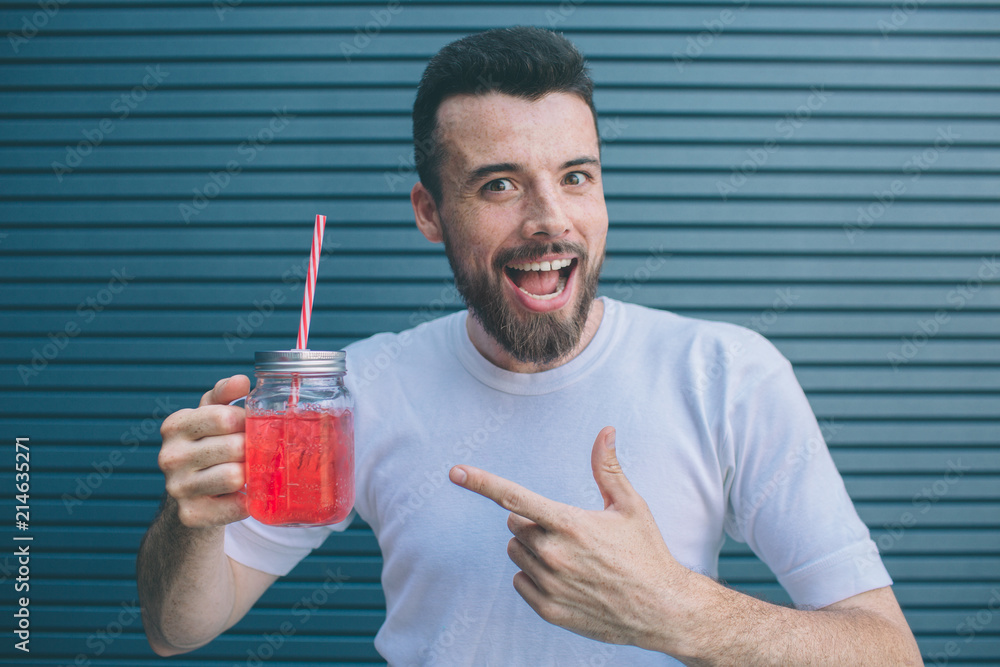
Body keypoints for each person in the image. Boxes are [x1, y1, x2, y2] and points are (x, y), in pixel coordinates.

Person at [137, 26, 923, 665]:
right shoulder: (358, 391)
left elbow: (889, 651)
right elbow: (178, 630)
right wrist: (196, 520)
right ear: (430, 211)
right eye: (500, 185)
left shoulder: (728, 375)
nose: (552, 219)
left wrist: (679, 614)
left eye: (576, 176)